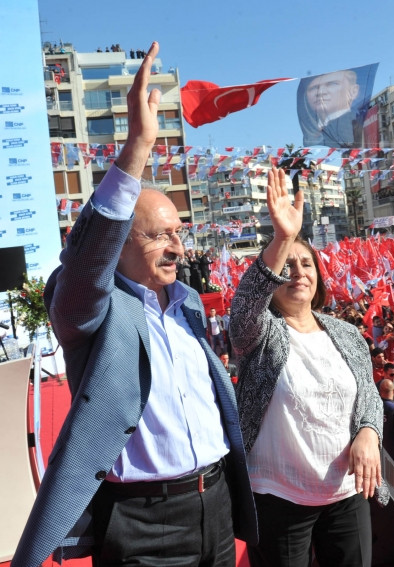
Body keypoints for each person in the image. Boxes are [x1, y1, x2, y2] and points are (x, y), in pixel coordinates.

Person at [12, 42, 257, 567]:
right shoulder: (92, 312)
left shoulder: (189, 303)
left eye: (179, 233)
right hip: (140, 522)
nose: (177, 246)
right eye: (159, 235)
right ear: (120, 244)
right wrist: (138, 149)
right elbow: (83, 268)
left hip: (213, 504)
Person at [230, 165, 382, 567]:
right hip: (279, 497)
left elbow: (369, 395)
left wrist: (368, 431)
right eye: (287, 265)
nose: (297, 272)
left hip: (346, 495)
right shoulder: (259, 335)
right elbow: (245, 305)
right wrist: (283, 236)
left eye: (307, 264)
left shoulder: (347, 334)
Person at [300, 69, 361, 148]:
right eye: (314, 88)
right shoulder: (315, 130)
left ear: (353, 91)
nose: (320, 92)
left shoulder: (355, 124)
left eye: (332, 84)